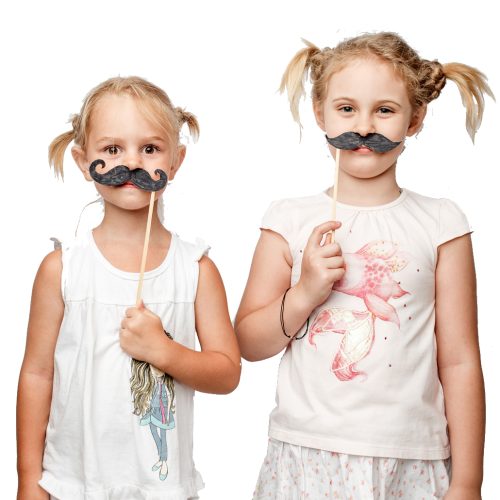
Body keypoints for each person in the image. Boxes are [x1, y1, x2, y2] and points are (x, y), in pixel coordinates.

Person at [235, 32, 493, 499]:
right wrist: (305, 292)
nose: (365, 125)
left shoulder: (442, 223)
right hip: (306, 454)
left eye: (385, 110)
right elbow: (248, 344)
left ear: (415, 119)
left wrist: (469, 482)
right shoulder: (288, 220)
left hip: (412, 458)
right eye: (347, 108)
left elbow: (458, 359)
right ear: (320, 112)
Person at [17, 76, 241, 500]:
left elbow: (227, 373)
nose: (132, 162)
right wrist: (30, 480)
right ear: (84, 161)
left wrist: (163, 350)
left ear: (175, 162)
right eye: (112, 149)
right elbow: (37, 373)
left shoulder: (196, 270)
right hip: (74, 484)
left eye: (150, 149)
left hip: (163, 488)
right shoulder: (62, 268)